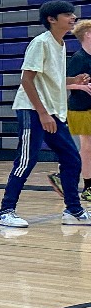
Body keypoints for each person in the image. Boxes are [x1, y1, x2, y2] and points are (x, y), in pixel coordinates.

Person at [0, 0, 91, 228]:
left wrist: (72, 81)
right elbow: (27, 80)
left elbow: (51, 80)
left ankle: (73, 211)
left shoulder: (60, 45)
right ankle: (5, 211)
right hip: (32, 109)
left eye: (72, 14)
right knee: (27, 160)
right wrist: (43, 113)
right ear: (52, 19)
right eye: (67, 15)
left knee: (72, 159)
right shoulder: (41, 43)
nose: (73, 18)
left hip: (54, 111)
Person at [63, 19, 91, 203]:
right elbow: (63, 82)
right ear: (88, 34)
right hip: (80, 109)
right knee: (86, 147)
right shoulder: (79, 58)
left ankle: (62, 175)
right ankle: (88, 187)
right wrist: (80, 87)